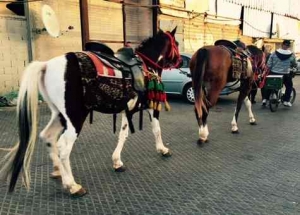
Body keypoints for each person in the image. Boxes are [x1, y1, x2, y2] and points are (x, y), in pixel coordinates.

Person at [262, 40, 297, 107]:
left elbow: (269, 64)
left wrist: (269, 69)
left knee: (270, 85)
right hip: (285, 74)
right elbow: (294, 64)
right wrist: (293, 67)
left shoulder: (274, 53)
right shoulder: (291, 55)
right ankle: (286, 101)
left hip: (274, 73)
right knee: (289, 86)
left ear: (282, 45)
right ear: (289, 46)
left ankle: (265, 99)